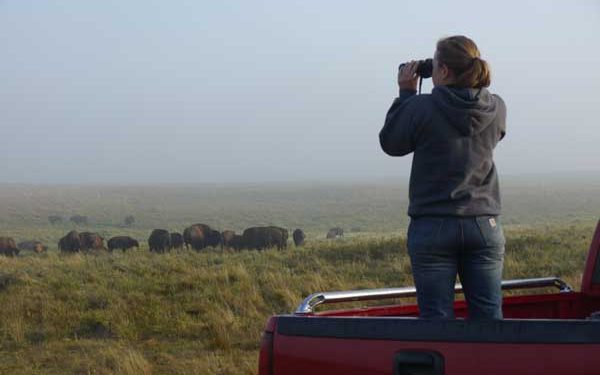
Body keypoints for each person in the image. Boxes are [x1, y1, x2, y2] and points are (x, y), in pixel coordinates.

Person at [379, 35, 507, 320]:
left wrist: (406, 94)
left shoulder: (421, 107)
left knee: (436, 323)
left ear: (445, 71)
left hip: (433, 225)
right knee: (490, 321)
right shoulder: (496, 107)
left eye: (434, 65)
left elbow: (391, 143)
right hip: (484, 224)